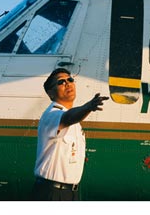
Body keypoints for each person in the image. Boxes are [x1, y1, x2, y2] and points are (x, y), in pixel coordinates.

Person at [32, 68, 108, 201]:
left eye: (70, 79)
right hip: (51, 193)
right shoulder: (52, 114)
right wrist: (88, 106)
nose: (68, 83)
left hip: (70, 193)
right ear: (51, 93)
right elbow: (67, 118)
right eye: (61, 82)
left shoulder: (76, 123)